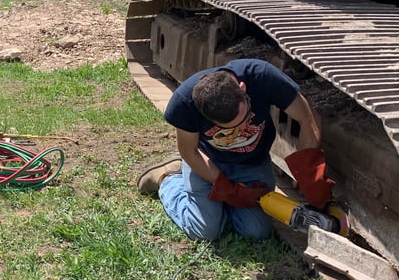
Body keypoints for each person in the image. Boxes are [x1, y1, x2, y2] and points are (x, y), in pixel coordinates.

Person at [137, 58, 333, 242]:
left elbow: (307, 118)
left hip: (252, 162)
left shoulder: (262, 76)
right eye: (228, 128)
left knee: (256, 232)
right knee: (205, 231)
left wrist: (310, 173)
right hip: (207, 162)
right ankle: (168, 179)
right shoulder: (185, 102)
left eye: (244, 119)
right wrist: (227, 188)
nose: (239, 131)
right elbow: (189, 152)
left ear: (243, 89)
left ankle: (219, 205)